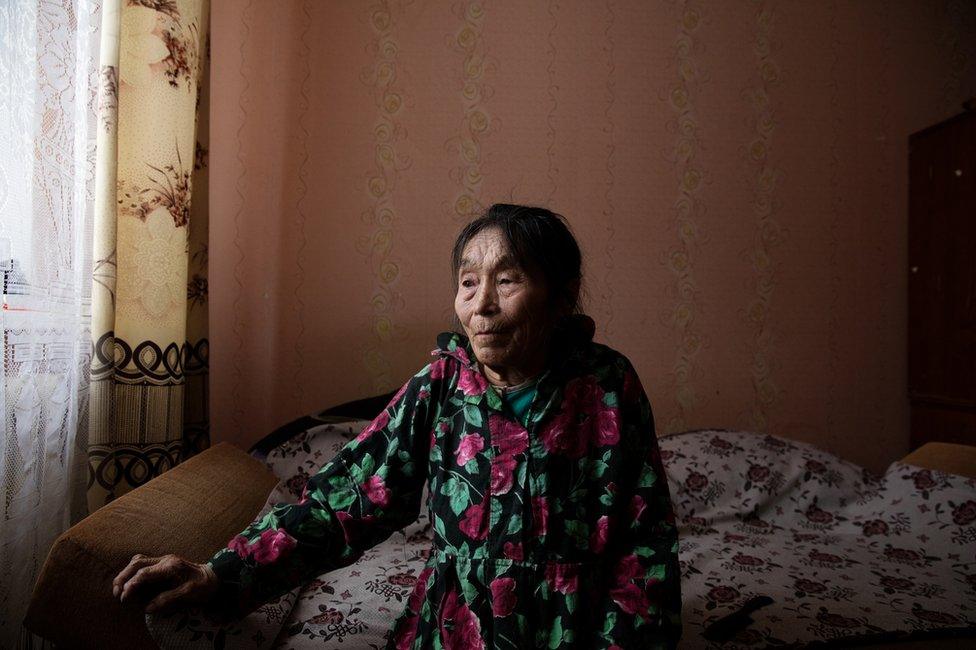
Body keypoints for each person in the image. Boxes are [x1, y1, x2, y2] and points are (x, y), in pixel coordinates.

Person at [113, 204, 682, 648]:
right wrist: (223, 573)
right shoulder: (442, 384)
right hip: (456, 630)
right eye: (467, 283)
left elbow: (643, 540)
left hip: (574, 627)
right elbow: (348, 498)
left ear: (559, 299)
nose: (481, 305)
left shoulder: (607, 386)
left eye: (507, 282)